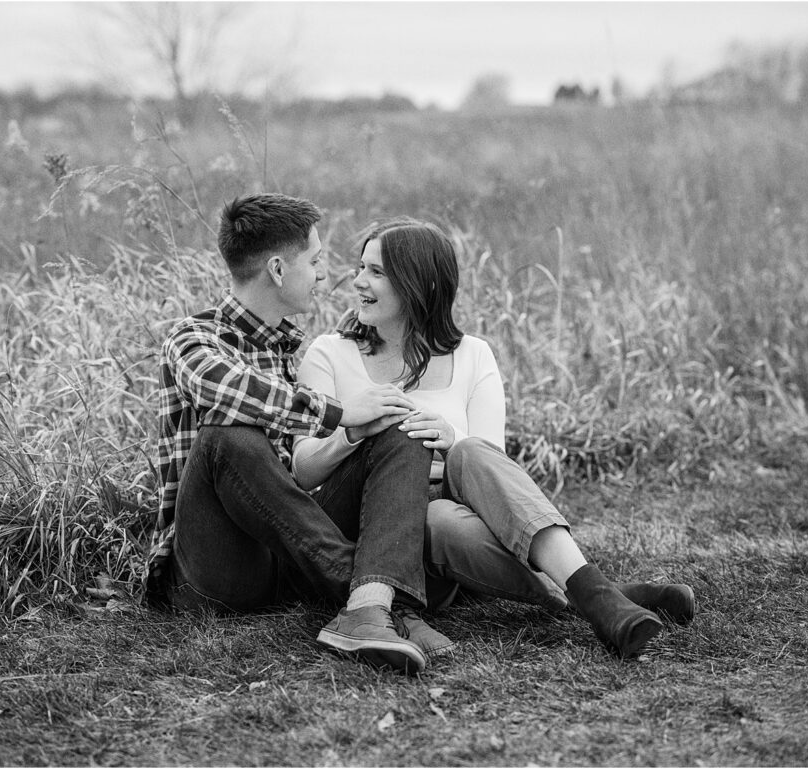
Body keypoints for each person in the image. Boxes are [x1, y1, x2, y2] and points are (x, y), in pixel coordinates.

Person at [292, 218, 696, 659]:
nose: (357, 282)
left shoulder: (472, 355)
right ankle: (597, 595)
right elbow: (303, 469)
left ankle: (595, 598)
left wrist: (449, 439)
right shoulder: (329, 353)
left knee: (454, 485)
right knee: (434, 518)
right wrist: (352, 432)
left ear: (419, 284)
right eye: (360, 267)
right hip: (368, 527)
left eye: (376, 272)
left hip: (449, 525)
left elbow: (493, 471)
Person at [145, 195, 452, 674]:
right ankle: (385, 598)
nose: (327, 275)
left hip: (286, 556)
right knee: (228, 437)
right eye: (315, 261)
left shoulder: (290, 354)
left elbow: (297, 481)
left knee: (397, 422)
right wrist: (340, 413)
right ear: (277, 269)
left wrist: (363, 427)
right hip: (213, 569)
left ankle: (369, 604)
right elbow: (221, 386)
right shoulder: (192, 338)